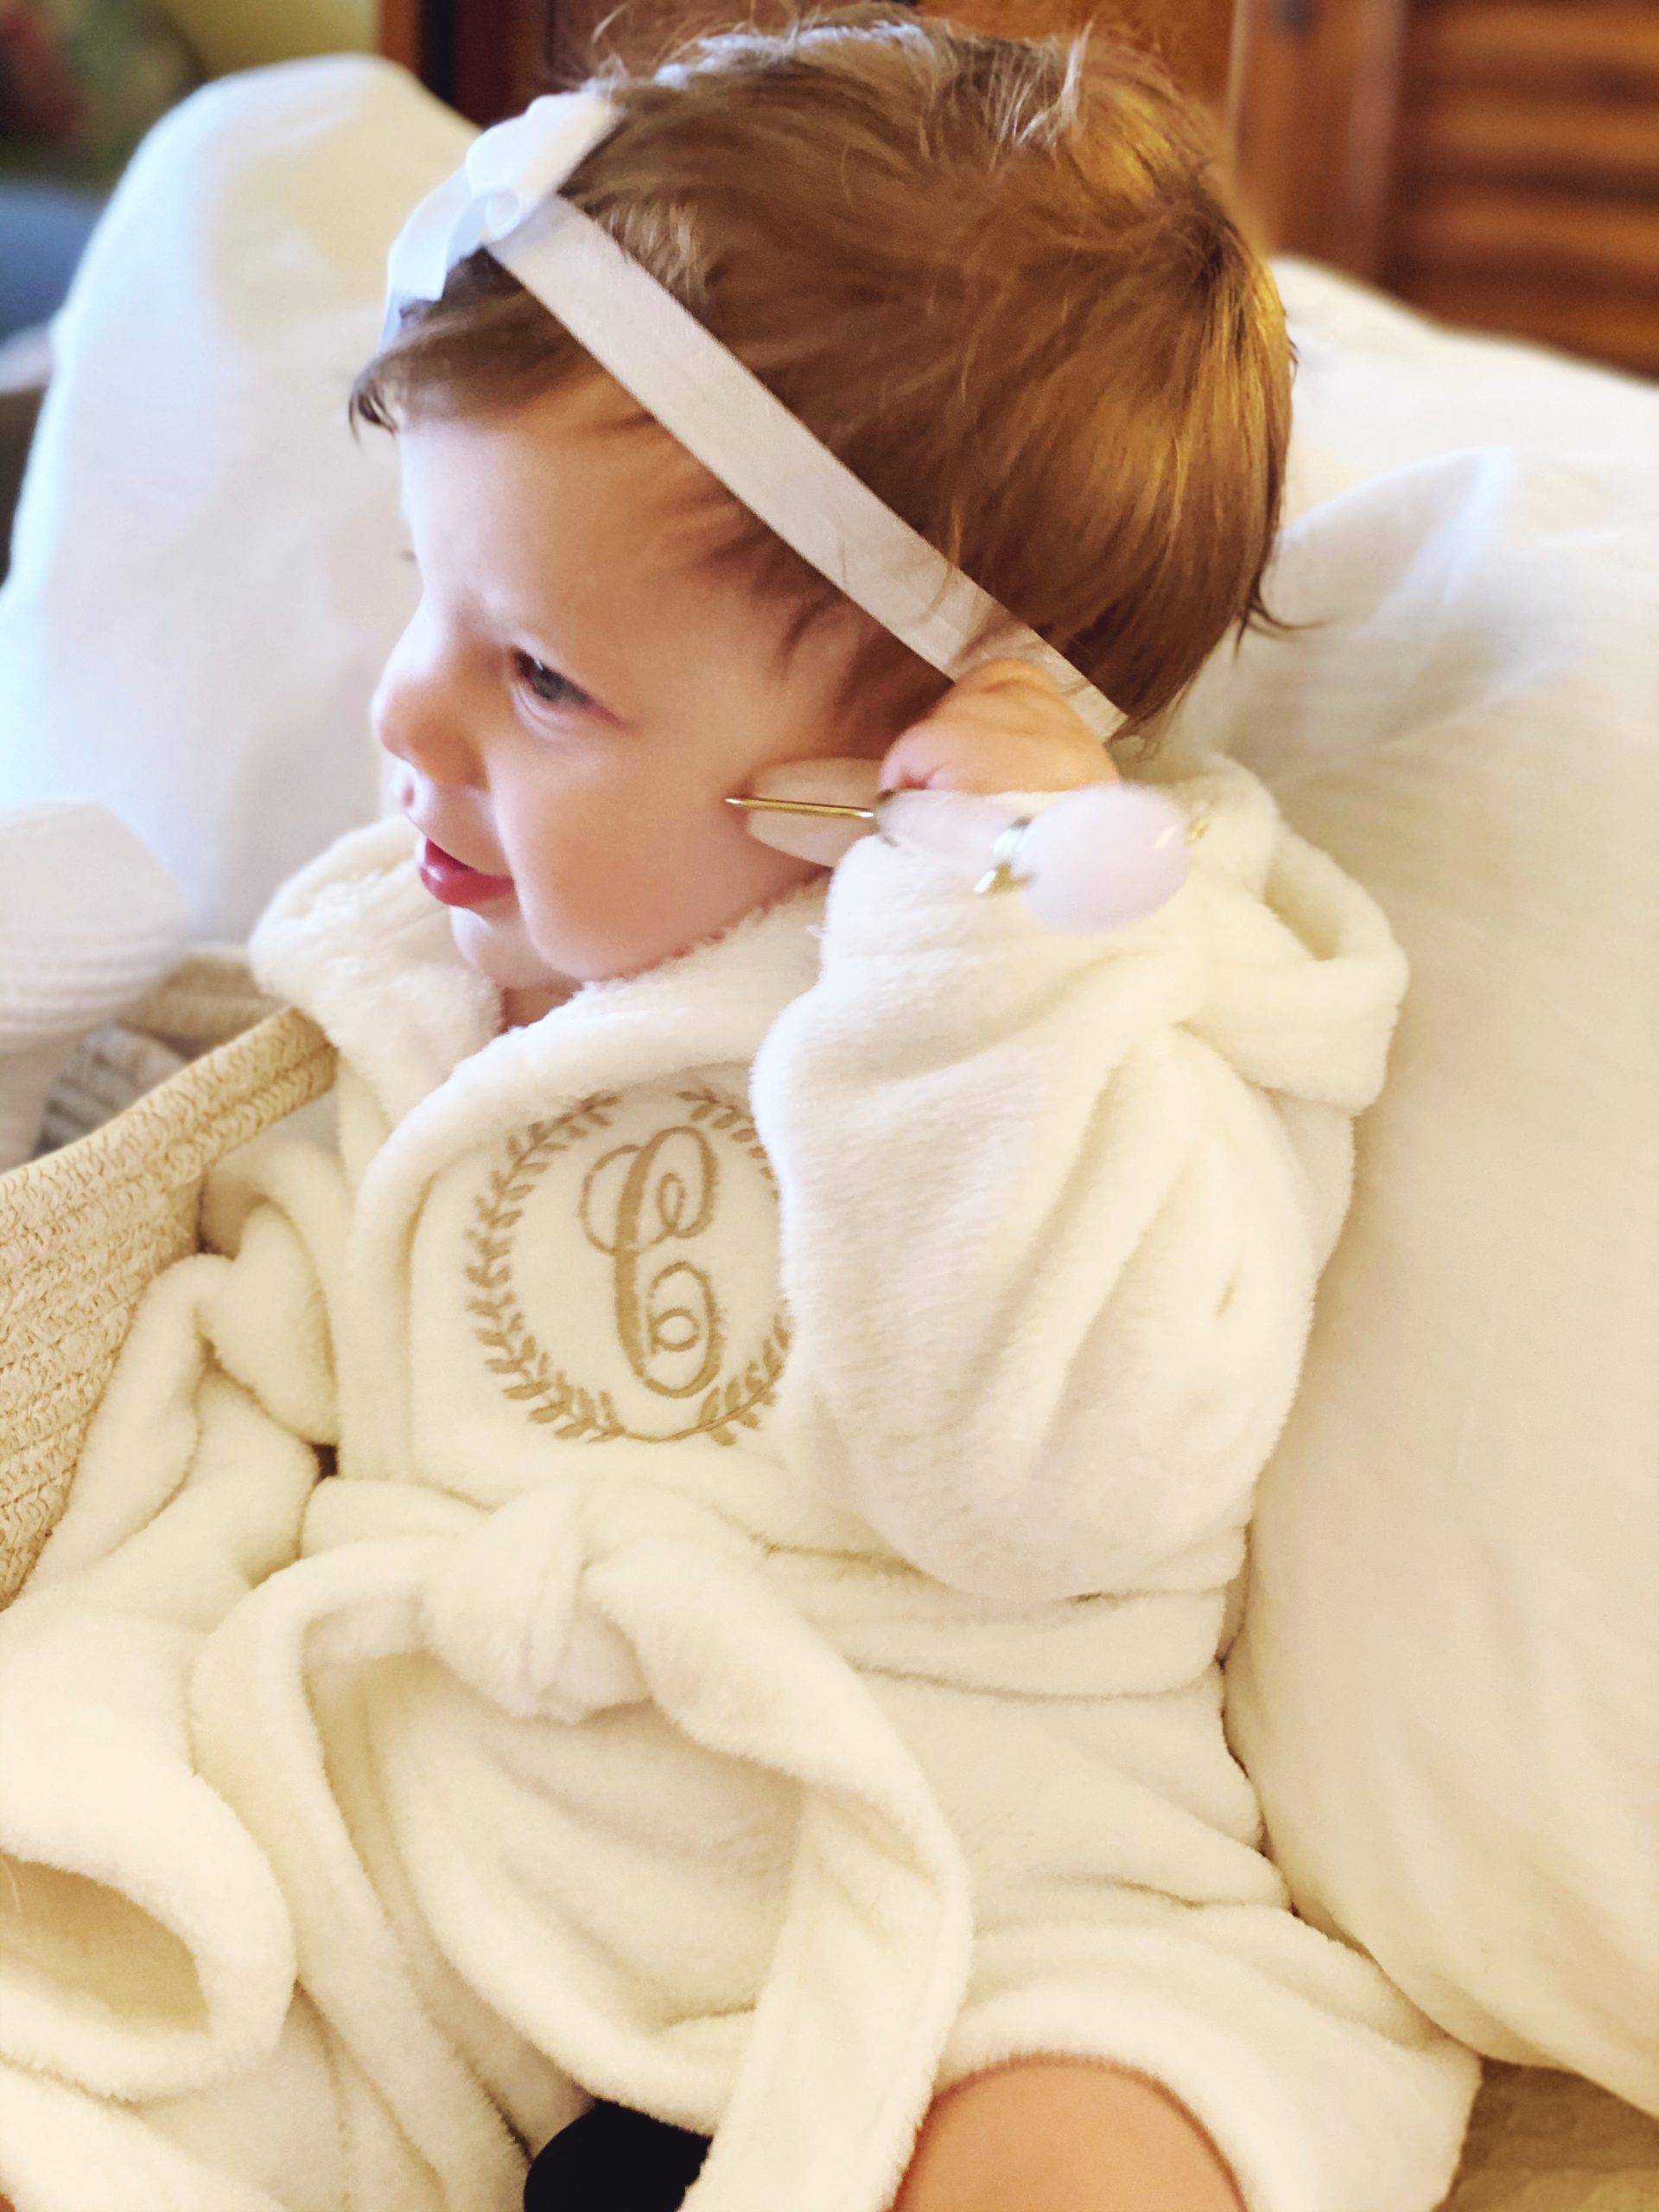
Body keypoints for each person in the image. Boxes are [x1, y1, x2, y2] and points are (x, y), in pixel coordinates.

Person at [0, 12, 1478, 2210]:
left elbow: (1048, 1492)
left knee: (1106, 2143)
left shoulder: (1122, 1004)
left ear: (906, 756)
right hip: (435, 1876)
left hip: (969, 1872)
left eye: (543, 676)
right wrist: (116, 1771)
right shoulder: (409, 985)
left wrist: (975, 973)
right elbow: (233, 1389)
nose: (407, 712)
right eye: (427, 593)